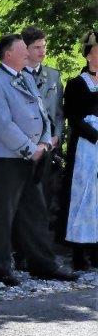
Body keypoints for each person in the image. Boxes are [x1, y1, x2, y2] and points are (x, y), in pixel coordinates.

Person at [0, 34, 78, 286]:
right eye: (22, 49)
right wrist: (29, 148)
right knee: (3, 215)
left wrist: (44, 144)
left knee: (35, 212)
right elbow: (1, 123)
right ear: (8, 54)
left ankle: (43, 264)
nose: (27, 53)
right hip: (8, 159)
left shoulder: (25, 77)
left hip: (34, 156)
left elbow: (43, 114)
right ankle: (1, 268)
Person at [63, 30, 98, 269]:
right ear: (88, 55)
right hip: (85, 146)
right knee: (82, 195)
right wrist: (94, 134)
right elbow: (72, 117)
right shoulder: (76, 84)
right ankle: (78, 252)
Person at [23, 26, 64, 223]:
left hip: (49, 145)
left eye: (44, 46)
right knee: (23, 195)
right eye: (37, 47)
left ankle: (41, 235)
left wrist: (57, 137)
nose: (42, 51)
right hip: (24, 144)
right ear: (25, 49)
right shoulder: (16, 75)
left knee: (44, 194)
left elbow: (59, 113)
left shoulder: (53, 76)